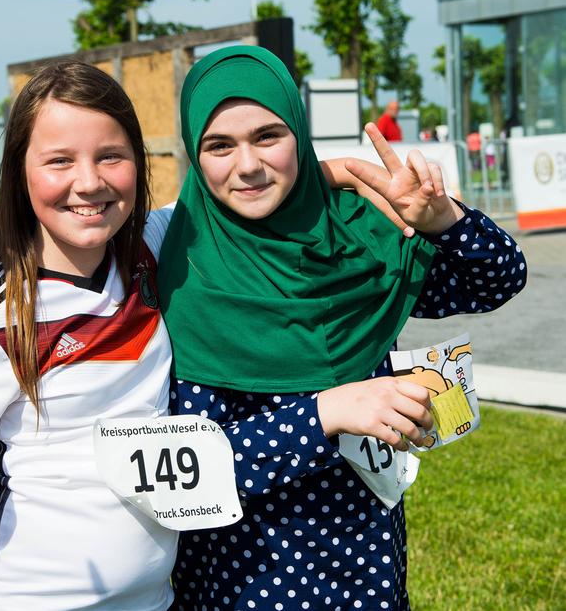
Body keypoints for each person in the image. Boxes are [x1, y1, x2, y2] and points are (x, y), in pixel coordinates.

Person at [0, 60, 408, 611]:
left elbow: (235, 187)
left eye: (111, 156)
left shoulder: (158, 247)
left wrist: (334, 172)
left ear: (139, 163)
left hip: (156, 599)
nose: (90, 182)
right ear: (17, 172)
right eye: (59, 161)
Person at [158, 46, 527, 611]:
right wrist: (324, 414)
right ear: (194, 154)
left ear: (300, 135)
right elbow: (192, 477)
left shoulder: (357, 234)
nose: (248, 164)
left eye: (268, 136)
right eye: (219, 145)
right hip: (244, 580)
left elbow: (497, 279)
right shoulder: (180, 271)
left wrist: (442, 219)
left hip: (369, 568)